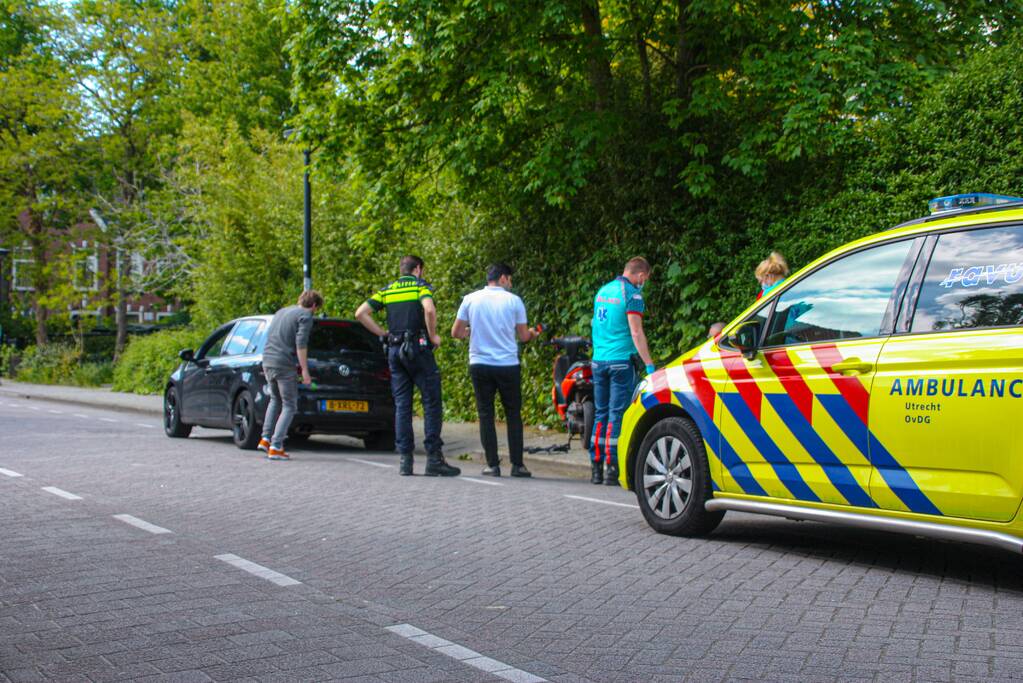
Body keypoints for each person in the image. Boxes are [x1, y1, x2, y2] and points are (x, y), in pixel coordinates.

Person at [355, 255, 460, 477]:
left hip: (395, 350)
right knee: (431, 402)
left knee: (402, 405)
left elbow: (360, 313)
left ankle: (406, 460)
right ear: (418, 269)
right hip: (418, 349)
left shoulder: (388, 289)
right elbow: (429, 310)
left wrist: (383, 333)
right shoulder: (421, 286)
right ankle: (433, 459)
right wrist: (433, 336)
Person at [451, 263, 539, 478]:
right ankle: (517, 465)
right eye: (509, 279)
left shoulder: (470, 299)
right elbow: (523, 336)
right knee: (513, 415)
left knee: (485, 414)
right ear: (502, 278)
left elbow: (456, 332)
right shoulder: (514, 301)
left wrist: (471, 331)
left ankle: (492, 465)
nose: (510, 283)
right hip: (507, 365)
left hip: (480, 363)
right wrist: (534, 333)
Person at [589, 257, 654, 486]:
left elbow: (596, 325)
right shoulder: (632, 295)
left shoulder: (603, 291)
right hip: (619, 362)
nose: (643, 283)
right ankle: (611, 468)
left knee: (600, 414)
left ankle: (595, 467)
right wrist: (649, 364)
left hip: (598, 361)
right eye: (644, 279)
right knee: (616, 416)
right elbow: (636, 333)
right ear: (640, 275)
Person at [258, 289, 323, 461]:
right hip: (283, 363)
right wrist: (305, 371)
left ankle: (265, 439)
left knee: (275, 399)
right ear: (314, 305)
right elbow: (301, 345)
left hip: (268, 360)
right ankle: (276, 446)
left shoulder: (281, 312)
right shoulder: (305, 316)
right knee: (289, 405)